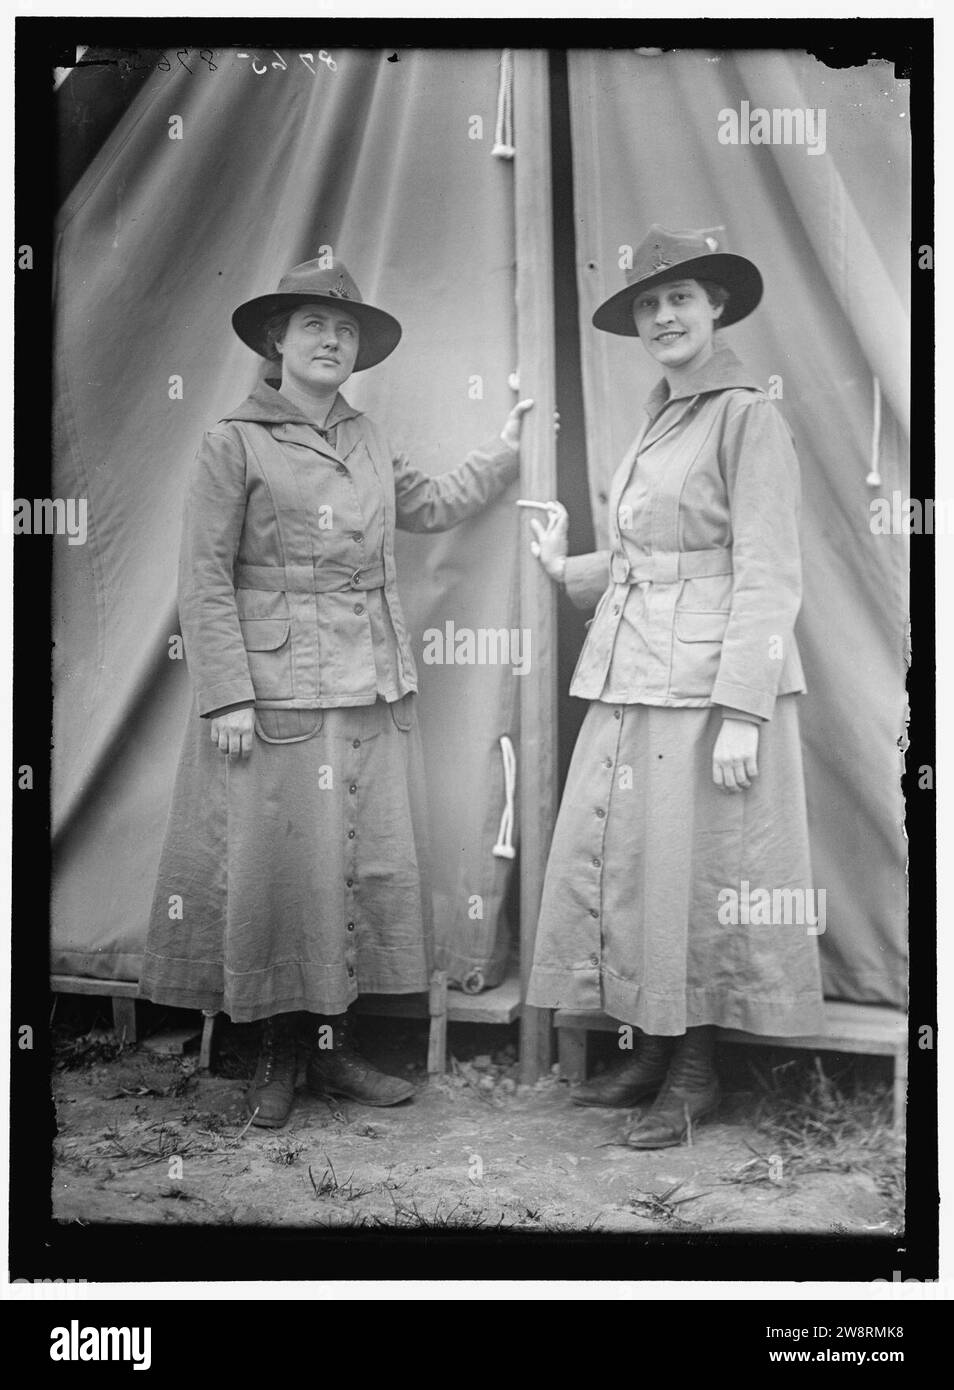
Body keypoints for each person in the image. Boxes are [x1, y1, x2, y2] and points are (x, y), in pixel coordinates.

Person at [139, 258, 531, 1128]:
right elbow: (202, 579)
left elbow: (427, 505)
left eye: (345, 329)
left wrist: (510, 451)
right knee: (282, 875)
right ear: (276, 341)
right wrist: (228, 697)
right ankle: (276, 1060)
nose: (330, 339)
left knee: (355, 867)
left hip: (372, 687)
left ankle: (334, 1051)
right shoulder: (231, 442)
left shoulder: (367, 438)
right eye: (313, 323)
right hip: (276, 695)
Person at [525, 225, 825, 1149]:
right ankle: (654, 1052)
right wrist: (569, 567)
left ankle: (697, 1075)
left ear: (717, 307)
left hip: (703, 687)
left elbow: (768, 570)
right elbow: (652, 554)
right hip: (631, 667)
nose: (664, 316)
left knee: (693, 877)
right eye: (650, 304)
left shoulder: (747, 414)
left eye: (680, 299)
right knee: (639, 870)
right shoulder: (664, 415)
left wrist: (744, 710)